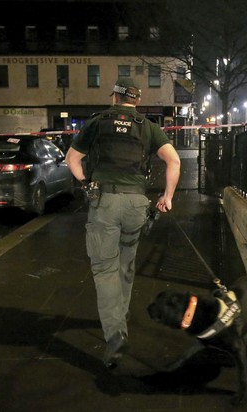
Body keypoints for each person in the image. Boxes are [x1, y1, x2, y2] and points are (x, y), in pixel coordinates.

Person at [65, 77, 180, 368]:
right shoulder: (149, 127)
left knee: (105, 270)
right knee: (127, 265)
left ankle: (115, 337)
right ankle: (121, 316)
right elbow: (174, 161)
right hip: (136, 206)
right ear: (136, 101)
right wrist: (167, 197)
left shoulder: (97, 122)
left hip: (105, 204)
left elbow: (72, 159)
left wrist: (86, 183)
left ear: (115, 97)